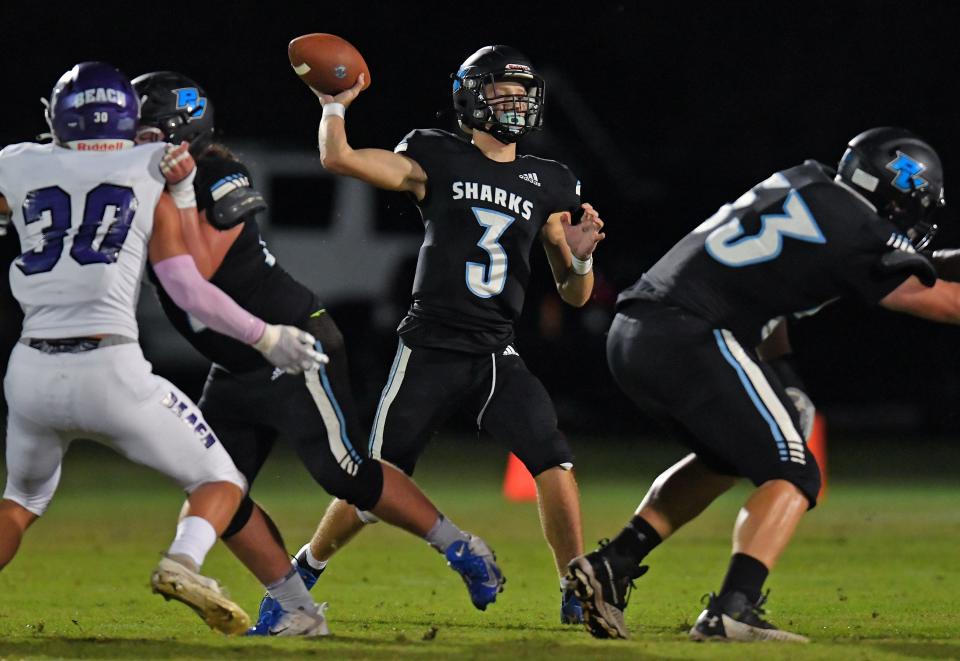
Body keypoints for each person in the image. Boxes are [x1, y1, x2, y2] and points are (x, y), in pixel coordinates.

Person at [131, 71, 504, 636]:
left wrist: (176, 194)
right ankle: (294, 606)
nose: (129, 142)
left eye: (142, 131)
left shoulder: (217, 172)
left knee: (345, 471)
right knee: (216, 487)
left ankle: (461, 547)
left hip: (291, 342)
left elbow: (198, 274)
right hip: (235, 361)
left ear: (180, 132)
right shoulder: (146, 183)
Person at [258, 44, 606, 629]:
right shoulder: (435, 154)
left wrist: (576, 263)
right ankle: (302, 575)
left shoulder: (550, 181)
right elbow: (338, 158)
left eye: (524, 94)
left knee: (554, 461)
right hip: (431, 346)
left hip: (497, 350)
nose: (516, 104)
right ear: (471, 98)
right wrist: (333, 105)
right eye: (503, 91)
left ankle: (578, 585)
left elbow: (575, 295)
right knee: (376, 481)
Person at [566, 127, 960, 642]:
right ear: (897, 190)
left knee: (725, 461)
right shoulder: (857, 228)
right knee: (794, 473)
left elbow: (773, 292)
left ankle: (613, 565)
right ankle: (733, 609)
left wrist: (786, 375)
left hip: (637, 331)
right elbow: (939, 298)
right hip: (691, 333)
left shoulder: (807, 185)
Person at [0, 62, 327, 635]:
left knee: (21, 502)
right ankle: (186, 563)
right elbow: (185, 287)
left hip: (29, 371)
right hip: (109, 366)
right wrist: (267, 335)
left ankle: (299, 610)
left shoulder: (16, 162)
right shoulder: (150, 166)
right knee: (220, 482)